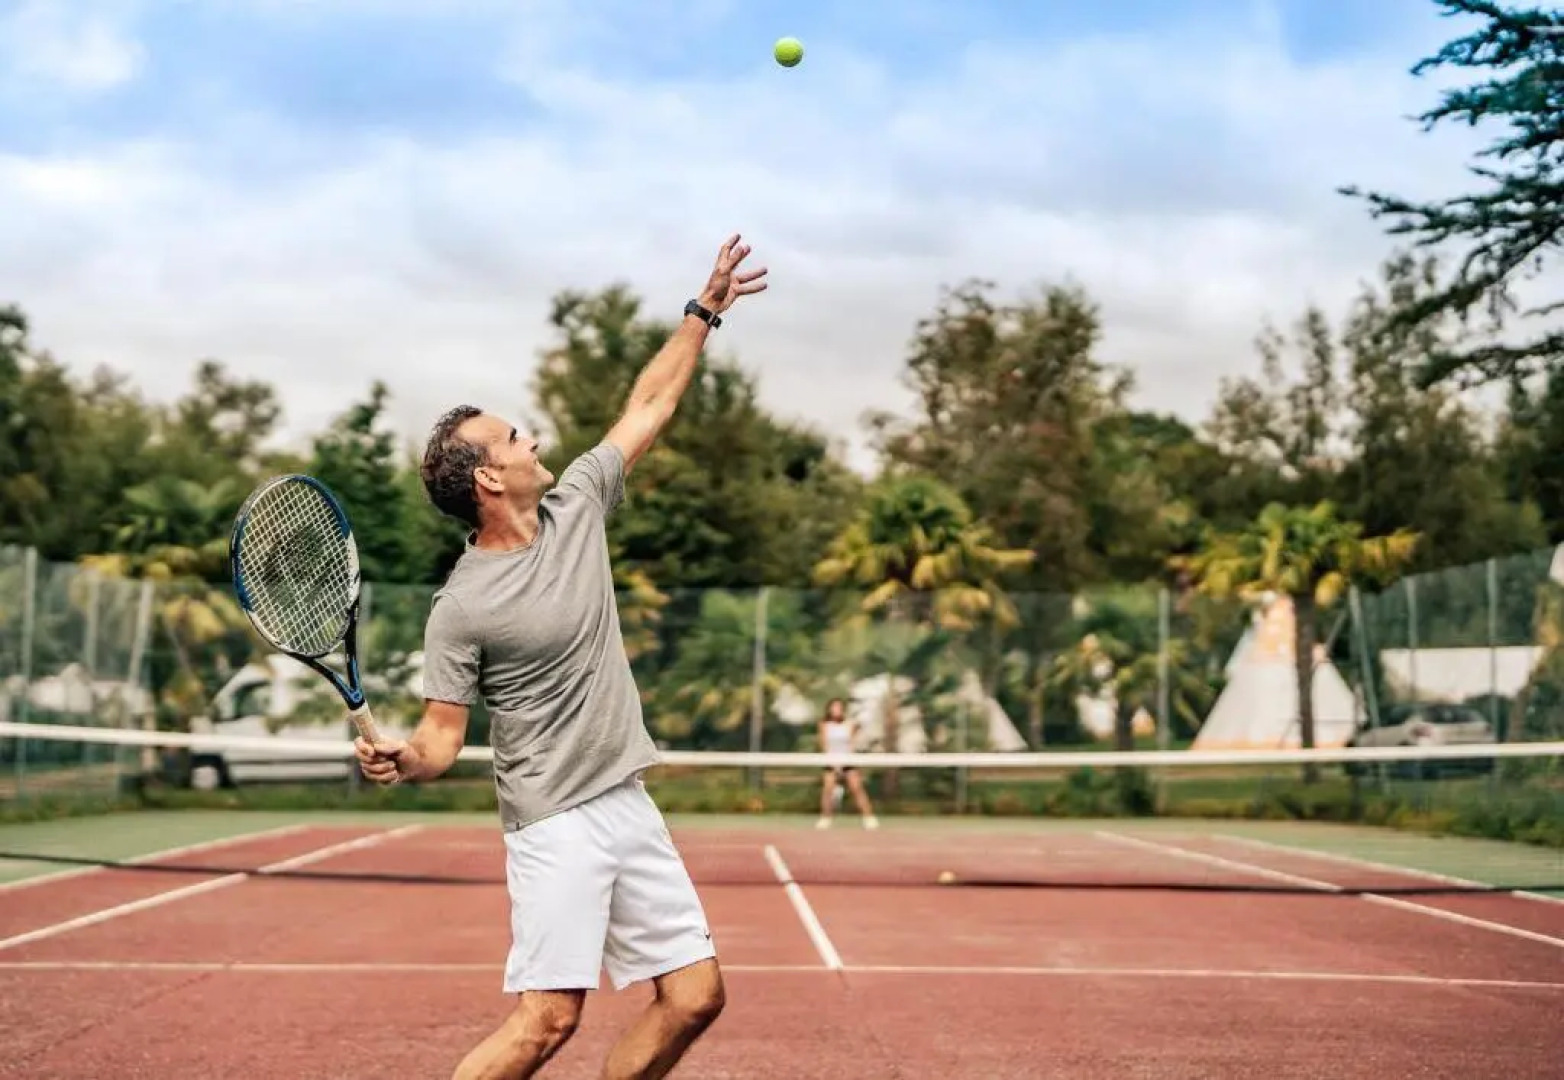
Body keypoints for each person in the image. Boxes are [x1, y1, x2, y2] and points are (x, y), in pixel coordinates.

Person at [353, 234, 768, 1080]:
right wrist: (403, 756)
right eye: (513, 438)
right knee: (546, 1022)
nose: (532, 438)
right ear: (489, 481)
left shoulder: (579, 504)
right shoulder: (461, 605)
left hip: (624, 795)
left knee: (694, 996)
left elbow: (646, 407)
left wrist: (702, 315)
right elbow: (440, 738)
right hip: (554, 821)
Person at [816, 697, 879, 831]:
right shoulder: (824, 724)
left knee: (857, 789)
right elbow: (824, 744)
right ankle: (825, 819)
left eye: (839, 707)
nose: (837, 710)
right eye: (834, 707)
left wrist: (846, 760)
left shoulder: (849, 724)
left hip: (848, 761)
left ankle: (869, 818)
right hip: (831, 761)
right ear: (829, 709)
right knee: (828, 790)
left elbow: (851, 743)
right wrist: (833, 763)